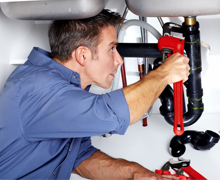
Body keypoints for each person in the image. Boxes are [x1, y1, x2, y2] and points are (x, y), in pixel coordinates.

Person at [0, 9, 190, 180]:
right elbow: (114, 114)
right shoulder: (38, 87)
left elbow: (80, 157)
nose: (119, 60)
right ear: (82, 55)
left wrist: (136, 173)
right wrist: (164, 73)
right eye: (111, 48)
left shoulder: (66, 89)